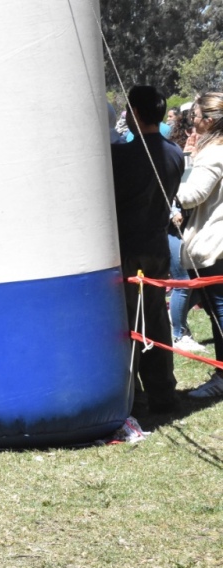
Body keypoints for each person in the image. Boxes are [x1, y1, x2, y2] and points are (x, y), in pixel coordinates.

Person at [111, 85, 184, 413]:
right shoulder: (176, 153)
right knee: (155, 318)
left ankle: (135, 396)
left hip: (127, 248)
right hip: (157, 246)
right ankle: (163, 392)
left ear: (134, 114)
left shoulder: (121, 157)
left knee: (127, 322)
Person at [175, 91, 223, 398]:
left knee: (220, 310)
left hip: (217, 242)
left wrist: (168, 194)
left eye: (194, 117)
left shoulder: (215, 153)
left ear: (208, 121)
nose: (191, 122)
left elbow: (193, 195)